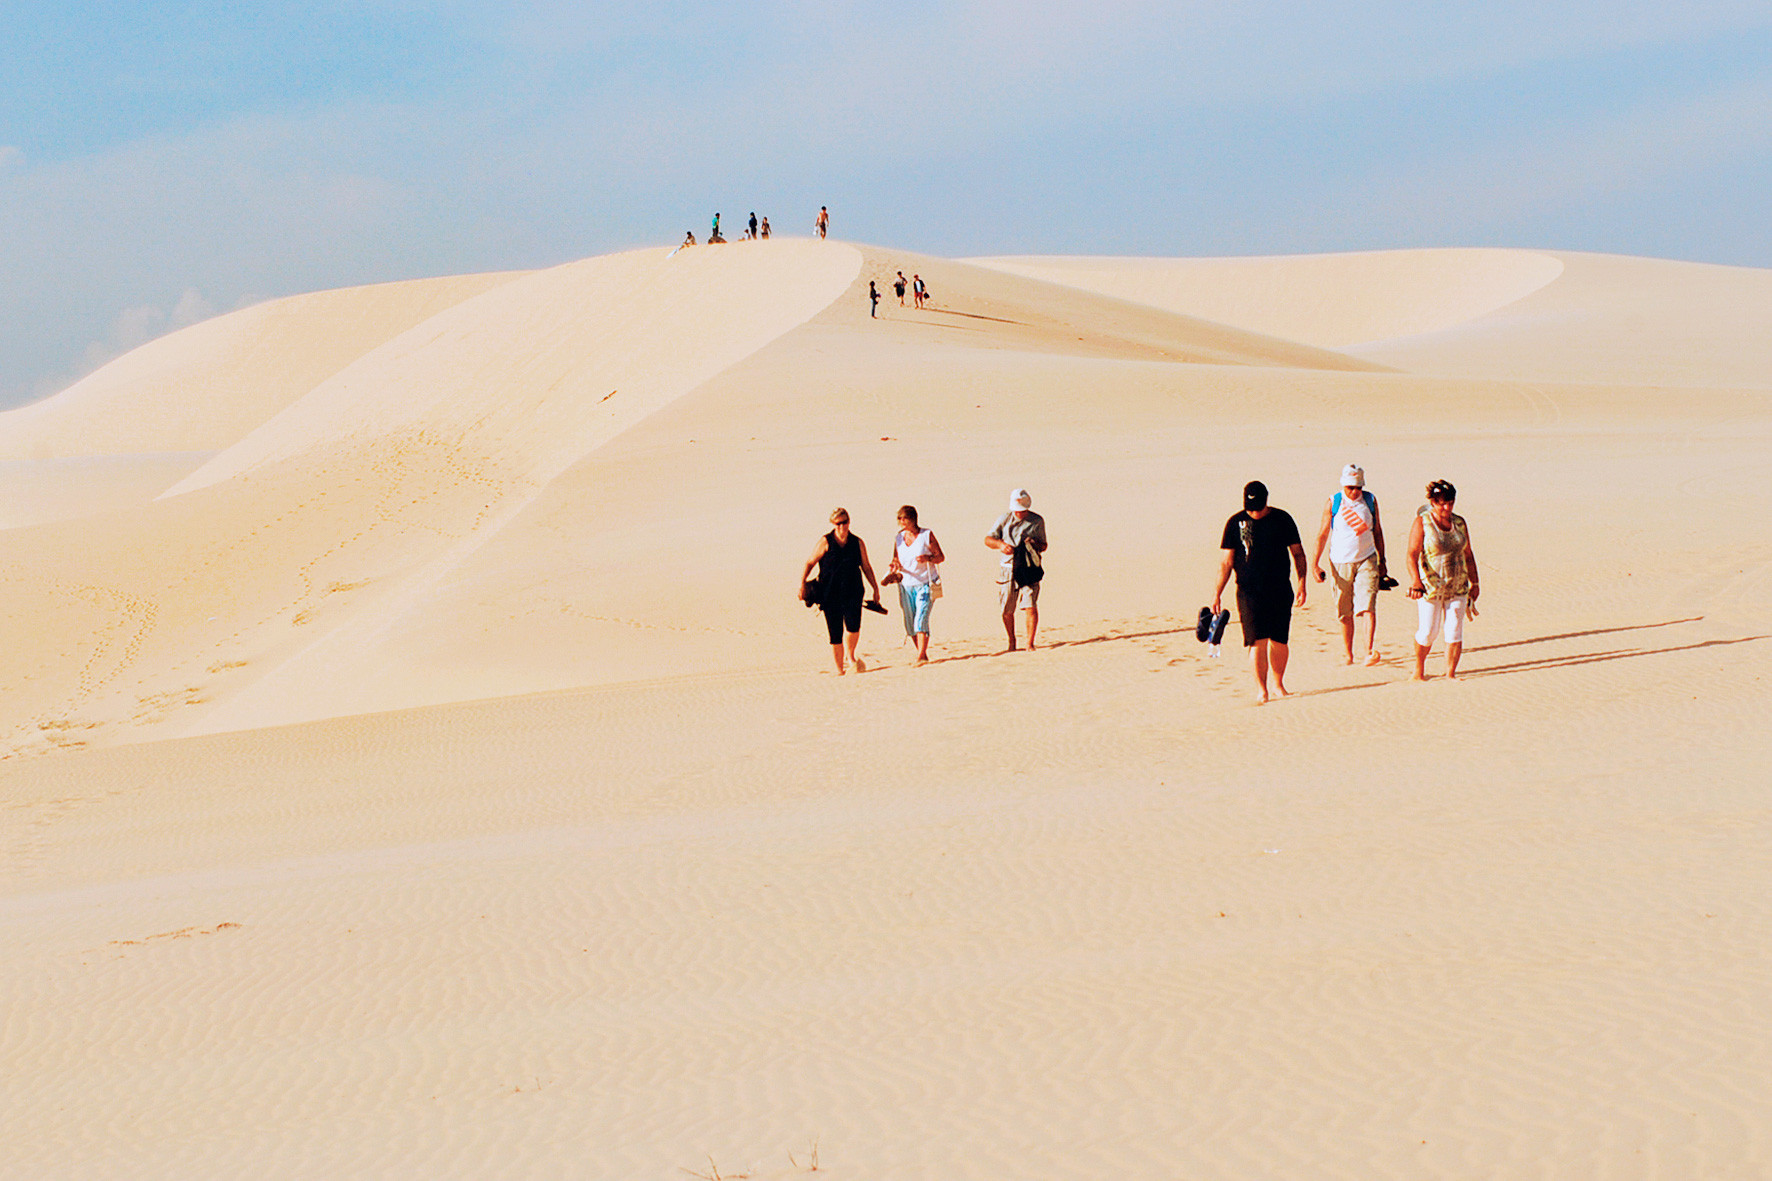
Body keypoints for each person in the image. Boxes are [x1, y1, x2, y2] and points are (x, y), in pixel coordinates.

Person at [1211, 480, 1307, 703]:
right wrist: (1217, 593)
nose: (1254, 513)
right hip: (1248, 591)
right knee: (1256, 640)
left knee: (1279, 640)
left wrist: (1302, 582)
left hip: (1280, 588)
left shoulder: (1282, 519)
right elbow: (1226, 562)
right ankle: (1262, 690)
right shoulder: (1235, 523)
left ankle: (1278, 685)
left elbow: (1298, 553)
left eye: (1258, 508)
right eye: (1250, 508)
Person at [1311, 463, 1388, 666]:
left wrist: (1382, 560)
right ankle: (1348, 653)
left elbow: (1377, 531)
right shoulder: (1334, 502)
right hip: (1340, 562)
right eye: (1350, 487)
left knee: (1368, 605)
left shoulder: (1370, 500)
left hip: (1367, 558)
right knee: (1344, 612)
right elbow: (1322, 534)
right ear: (1343, 485)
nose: (1354, 492)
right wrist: (1315, 564)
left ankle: (1368, 651)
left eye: (1358, 488)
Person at [1407, 479, 1480, 681]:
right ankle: (1418, 670)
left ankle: (1450, 674)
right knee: (1428, 631)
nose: (1446, 508)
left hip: (1458, 585)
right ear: (1432, 502)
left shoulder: (1459, 523)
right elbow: (1412, 554)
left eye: (1450, 503)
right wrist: (1415, 581)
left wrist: (1475, 582)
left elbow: (1468, 553)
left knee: (1454, 629)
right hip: (1430, 586)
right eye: (1441, 504)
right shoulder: (1422, 522)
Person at [799, 507, 882, 675]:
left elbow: (866, 567)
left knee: (853, 628)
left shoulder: (857, 543)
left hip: (853, 592)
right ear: (833, 524)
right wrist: (802, 583)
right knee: (835, 633)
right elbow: (810, 562)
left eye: (844, 522)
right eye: (838, 523)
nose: (842, 526)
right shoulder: (825, 541)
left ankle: (850, 655)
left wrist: (875, 588)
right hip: (829, 594)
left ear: (849, 522)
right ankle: (839, 670)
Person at [985, 488, 1048, 651]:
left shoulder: (1037, 521)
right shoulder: (1004, 519)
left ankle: (1029, 643)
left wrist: (1033, 544)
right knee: (1007, 608)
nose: (1019, 513)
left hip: (1029, 567)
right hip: (1008, 568)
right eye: (1017, 510)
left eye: (1022, 510)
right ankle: (1011, 641)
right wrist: (1001, 545)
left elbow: (1044, 545)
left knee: (1030, 604)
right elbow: (988, 539)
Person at [883, 505, 944, 664]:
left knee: (920, 619)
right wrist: (894, 564)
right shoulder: (899, 538)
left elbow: (940, 557)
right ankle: (921, 652)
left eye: (905, 518)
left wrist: (927, 558)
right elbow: (896, 558)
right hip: (906, 585)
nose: (902, 521)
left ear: (913, 519)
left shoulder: (926, 535)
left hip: (925, 583)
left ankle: (921, 656)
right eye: (899, 518)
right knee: (910, 624)